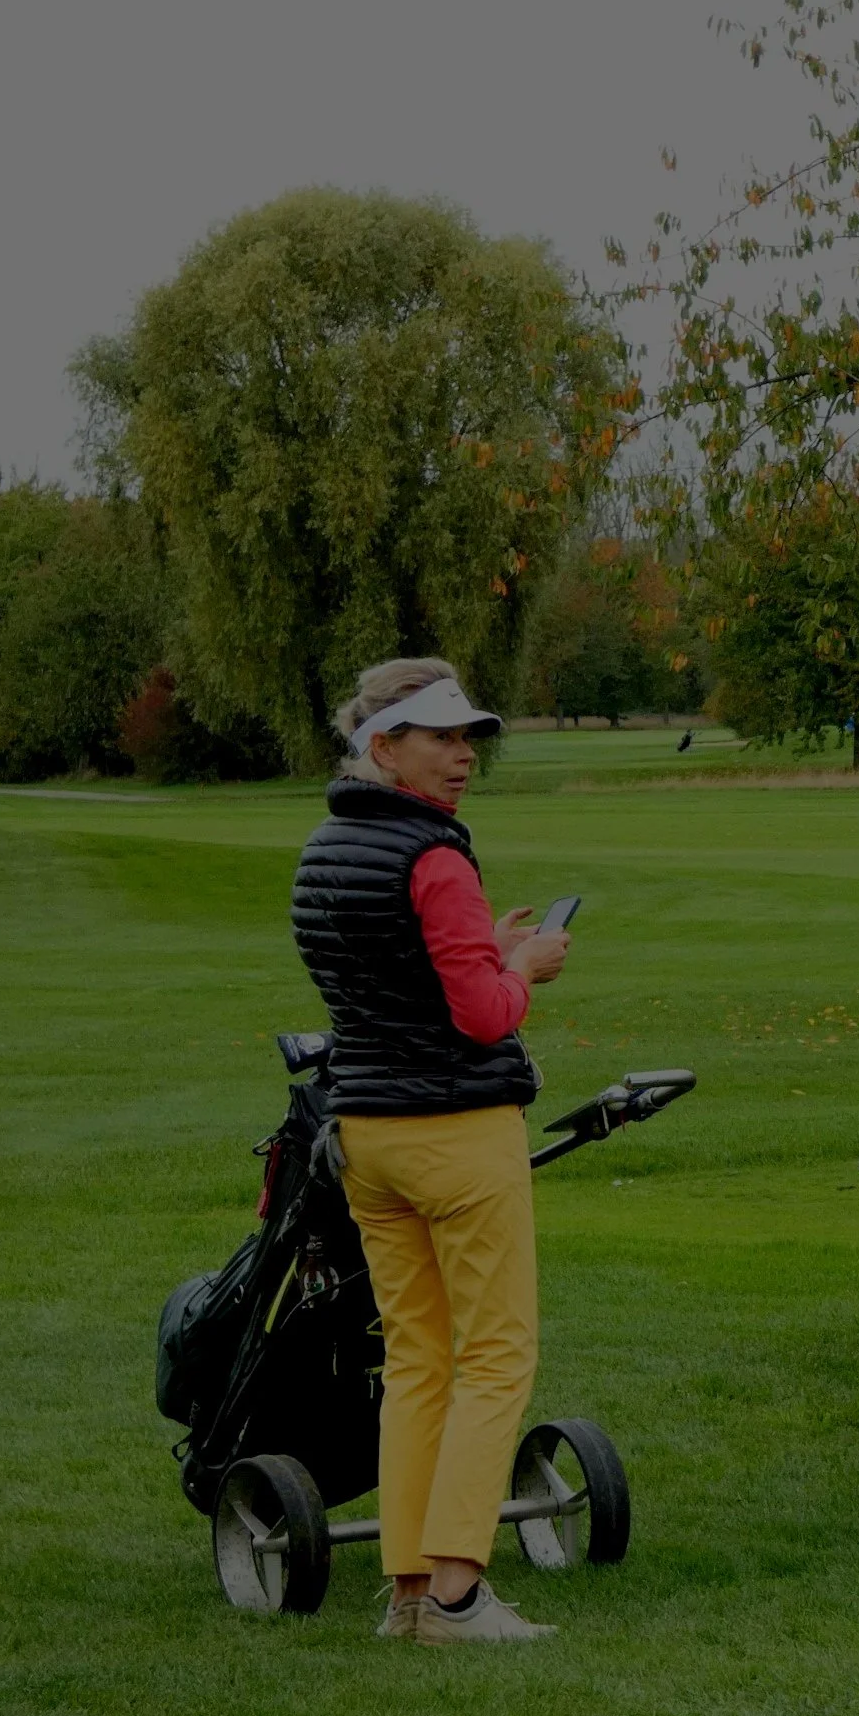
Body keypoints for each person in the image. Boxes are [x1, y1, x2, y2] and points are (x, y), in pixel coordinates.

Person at [291, 658, 573, 1643]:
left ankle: (409, 1594)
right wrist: (521, 965)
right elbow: (484, 1015)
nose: (462, 756)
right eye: (442, 738)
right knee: (495, 1358)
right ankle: (457, 1592)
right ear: (384, 747)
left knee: (415, 1362)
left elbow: (390, 983)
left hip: (367, 1136)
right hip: (456, 1134)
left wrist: (480, 950)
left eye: (468, 739)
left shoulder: (325, 846)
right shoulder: (436, 859)